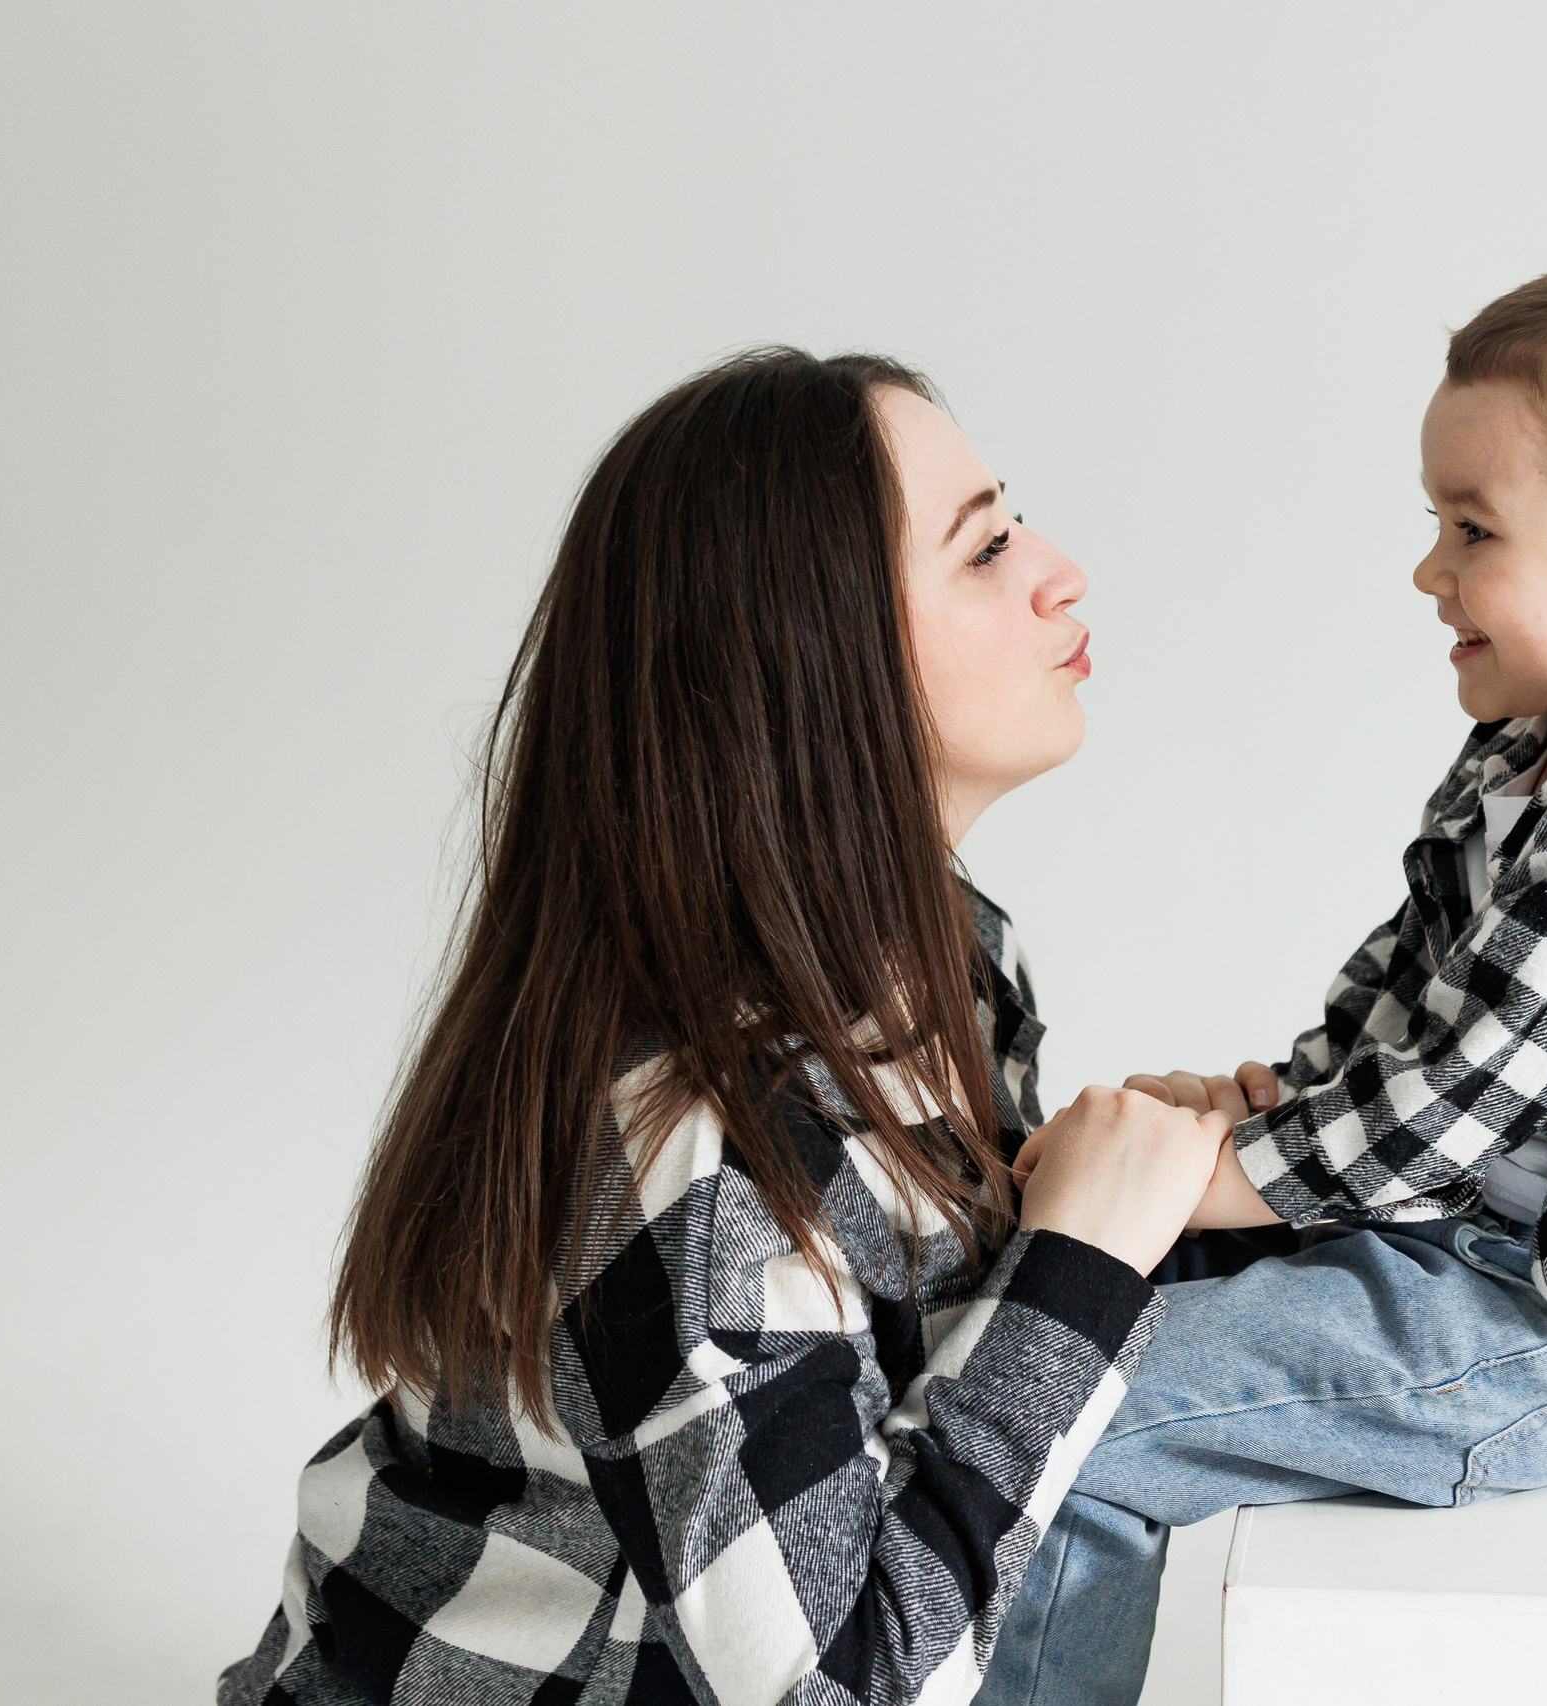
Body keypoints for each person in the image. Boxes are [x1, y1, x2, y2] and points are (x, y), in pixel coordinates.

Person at [218, 348, 1232, 1705]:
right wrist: (1077, 1269)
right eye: (984, 549)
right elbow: (837, 1690)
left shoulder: (941, 956)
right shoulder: (700, 1144)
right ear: (814, 656)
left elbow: (900, 1387)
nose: (1061, 571)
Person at [983, 245, 1547, 1704]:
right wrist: (1262, 1107)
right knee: (1030, 1302)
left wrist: (1197, 1182)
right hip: (1457, 1235)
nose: (1428, 568)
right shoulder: (1539, 742)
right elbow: (1413, 994)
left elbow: (1459, 1094)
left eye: (1473, 529)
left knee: (1074, 1407)